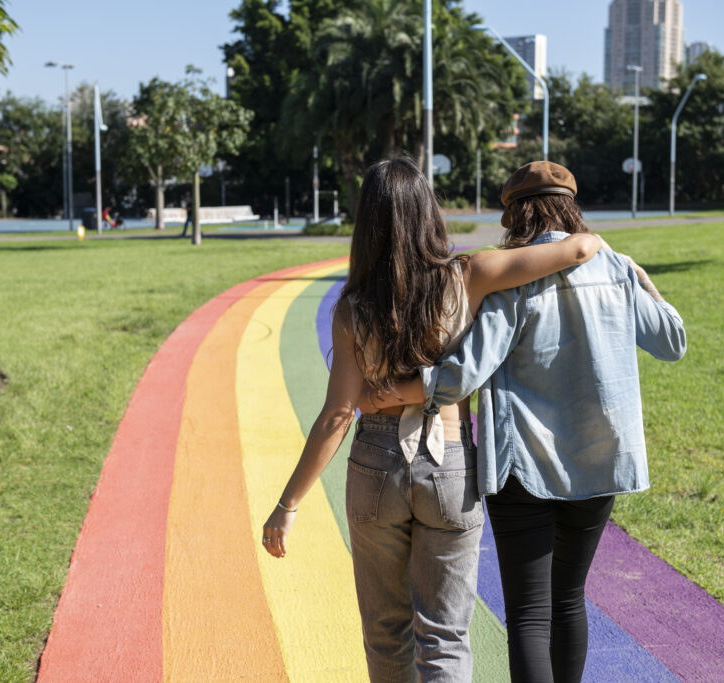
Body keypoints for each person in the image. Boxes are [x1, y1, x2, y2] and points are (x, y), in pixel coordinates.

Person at [261, 157, 610, 682]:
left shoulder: (351, 309)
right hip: (448, 465)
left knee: (385, 634)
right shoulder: (465, 276)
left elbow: (336, 415)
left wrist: (287, 505)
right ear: (429, 214)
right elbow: (579, 248)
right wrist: (603, 249)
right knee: (445, 636)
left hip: (376, 466)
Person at [364, 161, 687, 683]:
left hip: (524, 466)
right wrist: (644, 279)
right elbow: (673, 341)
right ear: (572, 206)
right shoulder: (616, 269)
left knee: (530, 614)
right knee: (570, 599)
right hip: (600, 461)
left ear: (515, 212)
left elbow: (465, 373)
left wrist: (399, 391)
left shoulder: (515, 275)